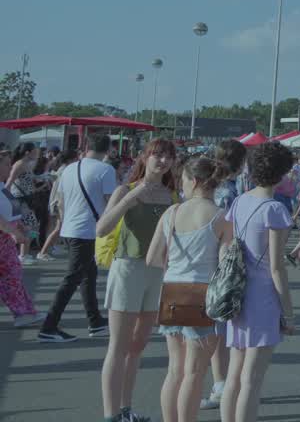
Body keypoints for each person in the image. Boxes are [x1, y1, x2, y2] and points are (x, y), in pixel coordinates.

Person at [98, 138, 179, 422]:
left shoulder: (173, 195)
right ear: (144, 158)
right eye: (157, 155)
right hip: (128, 269)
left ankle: (125, 409)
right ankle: (111, 415)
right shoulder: (126, 189)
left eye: (168, 156)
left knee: (138, 345)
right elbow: (102, 228)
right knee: (118, 346)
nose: (163, 160)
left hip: (158, 273)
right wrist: (132, 198)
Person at [147, 156, 233, 422]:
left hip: (172, 290)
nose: (180, 185)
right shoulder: (220, 217)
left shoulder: (171, 213)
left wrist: (174, 267)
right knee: (194, 373)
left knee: (175, 370)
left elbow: (152, 258)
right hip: (202, 294)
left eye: (183, 180)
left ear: (194, 181)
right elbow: (225, 265)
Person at [220, 142, 296, 422]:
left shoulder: (240, 200)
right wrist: (288, 312)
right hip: (262, 296)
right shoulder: (274, 209)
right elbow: (277, 267)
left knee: (234, 376)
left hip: (237, 292)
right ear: (280, 174)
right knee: (252, 379)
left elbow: (227, 245)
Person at [39, 134, 117, 343]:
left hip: (70, 228)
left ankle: (96, 321)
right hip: (87, 230)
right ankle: (49, 326)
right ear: (108, 149)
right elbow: (112, 203)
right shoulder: (106, 170)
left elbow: (61, 200)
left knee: (87, 276)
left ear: (86, 146)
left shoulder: (71, 168)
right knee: (73, 278)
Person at [201, 139, 247, 412]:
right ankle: (227, 384)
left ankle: (221, 383)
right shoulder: (231, 190)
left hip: (200, 260)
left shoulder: (207, 186)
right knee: (223, 329)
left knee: (213, 330)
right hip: (223, 262)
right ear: (240, 163)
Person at [0, 149, 39, 327]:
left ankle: (25, 311)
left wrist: (20, 226)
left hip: (6, 239)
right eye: (7, 164)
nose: (10, 167)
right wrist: (14, 231)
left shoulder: (2, 187)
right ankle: (22, 312)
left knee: (13, 275)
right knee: (12, 276)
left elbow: (12, 210)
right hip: (4, 237)